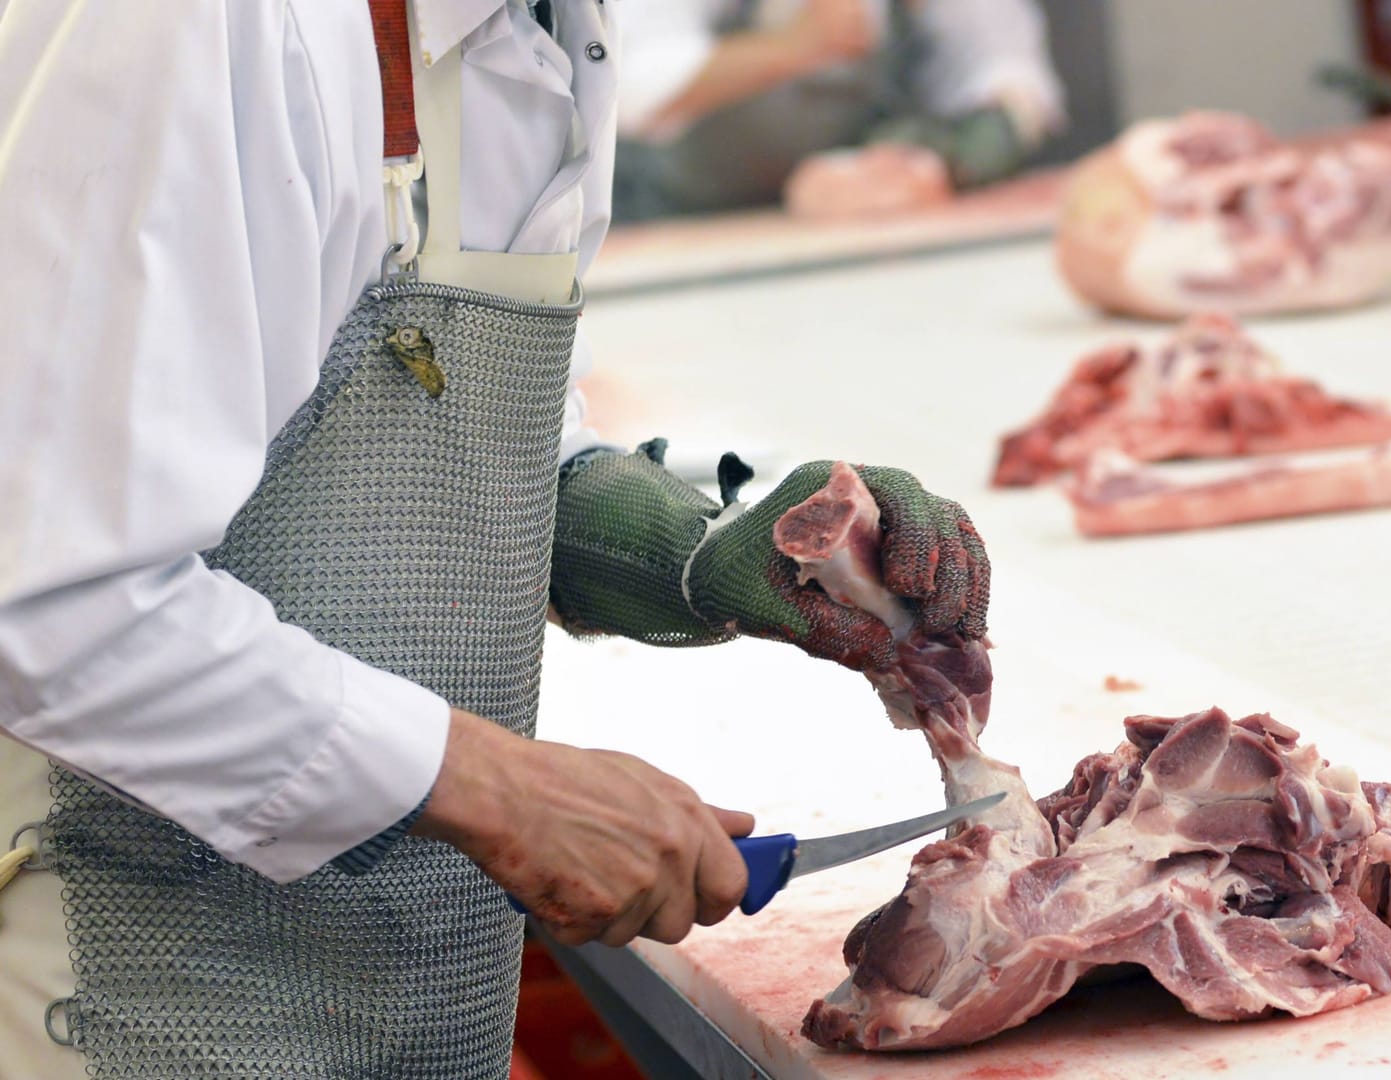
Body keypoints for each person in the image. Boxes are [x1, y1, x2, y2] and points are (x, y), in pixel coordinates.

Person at [0, 2, 987, 1077]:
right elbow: (50, 598)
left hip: (415, 985)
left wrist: (690, 552)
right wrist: (507, 792)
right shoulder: (193, 25)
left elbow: (440, 421)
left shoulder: (548, 31)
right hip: (130, 999)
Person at [611, 0, 1067, 219]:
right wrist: (796, 47)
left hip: (856, 234)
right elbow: (624, 81)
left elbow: (1008, 70)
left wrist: (964, 147)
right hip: (682, 234)